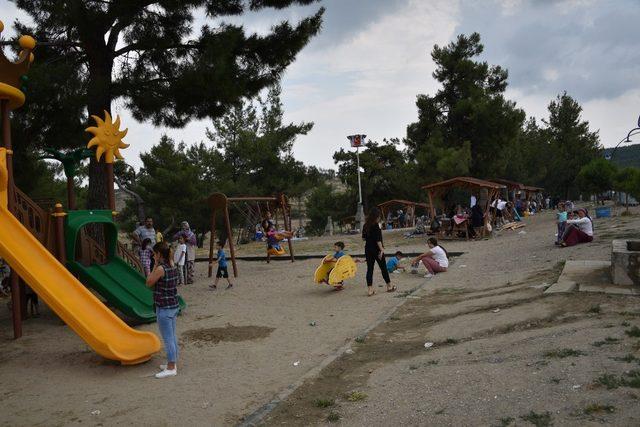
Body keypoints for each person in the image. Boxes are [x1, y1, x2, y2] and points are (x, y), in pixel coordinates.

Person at [146, 242, 180, 379]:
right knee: (172, 336)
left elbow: (148, 282)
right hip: (173, 305)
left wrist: (154, 265)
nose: (154, 256)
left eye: (155, 253)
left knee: (168, 339)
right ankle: (173, 363)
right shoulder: (172, 265)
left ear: (159, 254)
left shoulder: (160, 268)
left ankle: (171, 367)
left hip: (164, 307)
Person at [362, 207, 395, 296]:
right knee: (383, 268)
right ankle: (389, 286)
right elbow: (378, 240)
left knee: (370, 269)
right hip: (377, 249)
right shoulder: (376, 225)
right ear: (377, 216)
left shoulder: (365, 225)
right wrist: (381, 250)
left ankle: (370, 290)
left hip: (368, 249)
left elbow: (363, 238)